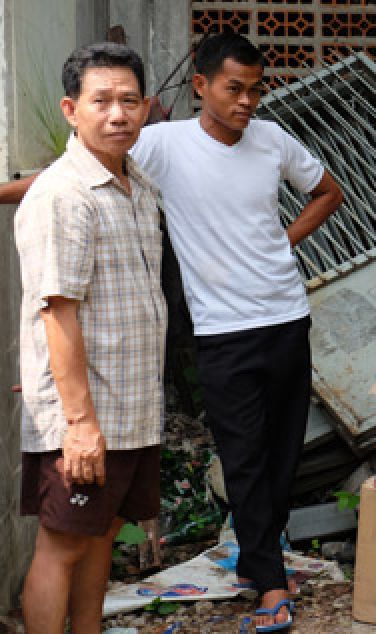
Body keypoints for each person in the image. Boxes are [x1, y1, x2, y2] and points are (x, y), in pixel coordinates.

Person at [130, 32, 343, 630]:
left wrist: (284, 241)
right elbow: (79, 173)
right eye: (233, 89)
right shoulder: (163, 145)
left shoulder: (272, 139)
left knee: (281, 457)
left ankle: (257, 559)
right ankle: (272, 587)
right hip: (223, 333)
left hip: (286, 319)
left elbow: (328, 192)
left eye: (255, 89)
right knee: (244, 458)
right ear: (200, 86)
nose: (247, 102)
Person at [15, 42, 165, 633]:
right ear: (70, 109)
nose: (117, 114)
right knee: (64, 545)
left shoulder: (139, 187)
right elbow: (57, 313)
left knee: (101, 536)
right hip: (83, 419)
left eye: (129, 101)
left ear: (148, 108)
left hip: (130, 407)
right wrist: (78, 424)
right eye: (100, 101)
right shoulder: (64, 195)